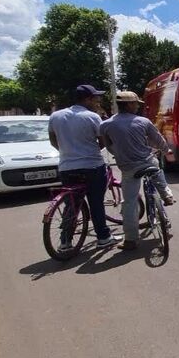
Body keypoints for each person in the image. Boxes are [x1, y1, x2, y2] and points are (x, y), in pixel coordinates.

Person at [48, 84, 122, 250]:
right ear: (87, 99)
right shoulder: (92, 117)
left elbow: (53, 139)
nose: (98, 101)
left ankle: (65, 242)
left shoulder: (56, 116)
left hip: (67, 167)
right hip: (92, 166)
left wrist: (67, 152)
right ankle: (103, 237)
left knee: (71, 204)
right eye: (96, 98)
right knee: (96, 202)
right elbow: (102, 142)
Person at [100, 91, 175, 251]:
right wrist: (166, 150)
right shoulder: (143, 121)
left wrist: (119, 154)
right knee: (156, 169)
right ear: (128, 105)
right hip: (147, 161)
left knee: (129, 203)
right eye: (135, 104)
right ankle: (166, 194)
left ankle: (131, 240)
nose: (137, 107)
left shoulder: (106, 125)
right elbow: (158, 139)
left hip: (128, 168)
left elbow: (108, 145)